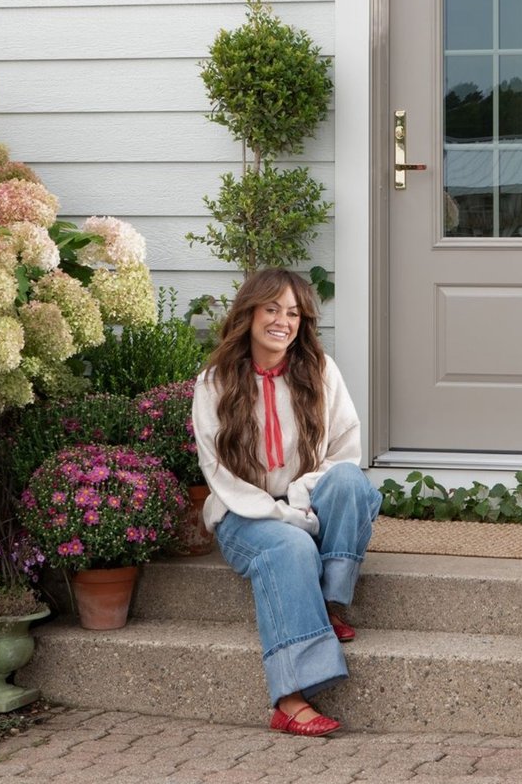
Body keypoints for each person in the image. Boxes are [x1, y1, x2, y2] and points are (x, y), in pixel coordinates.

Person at [192, 268, 381, 737]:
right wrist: (284, 517)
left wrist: (299, 500)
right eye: (272, 309)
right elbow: (222, 478)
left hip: (306, 500)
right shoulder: (214, 384)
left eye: (294, 312)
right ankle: (290, 699)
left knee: (351, 484)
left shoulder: (319, 370)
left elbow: (345, 451)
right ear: (250, 314)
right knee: (290, 547)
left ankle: (330, 606)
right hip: (244, 515)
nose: (283, 321)